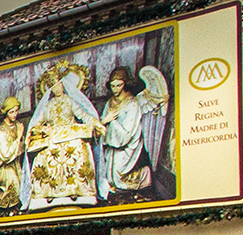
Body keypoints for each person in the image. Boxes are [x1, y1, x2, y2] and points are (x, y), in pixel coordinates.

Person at [25, 62, 102, 209]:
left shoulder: (69, 101)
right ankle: (47, 193)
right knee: (44, 155)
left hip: (71, 135)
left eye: (58, 84)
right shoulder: (48, 105)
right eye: (53, 86)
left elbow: (83, 114)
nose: (56, 88)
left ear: (62, 84)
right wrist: (42, 130)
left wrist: (95, 123)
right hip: (53, 137)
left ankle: (76, 190)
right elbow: (37, 124)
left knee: (79, 149)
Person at [96, 66, 151, 200]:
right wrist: (105, 121)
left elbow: (128, 132)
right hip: (111, 144)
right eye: (112, 86)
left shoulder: (133, 103)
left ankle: (145, 174)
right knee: (108, 178)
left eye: (119, 85)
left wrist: (112, 122)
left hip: (127, 144)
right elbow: (103, 123)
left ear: (125, 84)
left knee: (118, 177)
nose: (115, 89)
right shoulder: (110, 102)